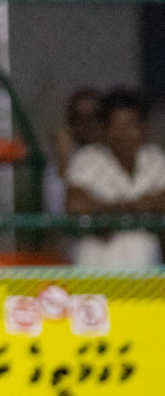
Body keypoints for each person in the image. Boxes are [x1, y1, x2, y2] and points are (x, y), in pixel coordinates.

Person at [64, 89, 165, 270]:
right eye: (116, 126)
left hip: (148, 277)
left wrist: (113, 212)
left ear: (144, 128)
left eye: (130, 125)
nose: (123, 134)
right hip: (98, 278)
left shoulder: (155, 160)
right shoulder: (87, 159)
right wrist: (137, 208)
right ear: (104, 129)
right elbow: (76, 205)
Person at [43, 88, 103, 217]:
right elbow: (57, 213)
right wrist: (65, 161)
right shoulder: (60, 163)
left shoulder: (116, 156)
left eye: (93, 117)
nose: (87, 125)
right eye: (79, 118)